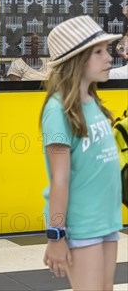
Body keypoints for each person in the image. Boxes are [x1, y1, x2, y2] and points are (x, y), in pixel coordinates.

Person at [40, 15, 122, 290]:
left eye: (107, 50)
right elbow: (59, 180)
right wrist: (56, 236)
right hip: (82, 224)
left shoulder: (93, 103)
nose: (108, 57)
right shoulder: (58, 110)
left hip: (106, 220)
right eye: (98, 52)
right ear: (75, 62)